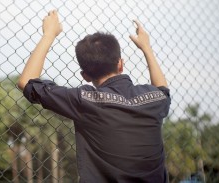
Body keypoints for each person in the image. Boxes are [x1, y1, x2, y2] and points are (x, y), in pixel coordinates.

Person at [17, 10, 171, 183]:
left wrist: (48, 34)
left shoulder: (85, 99)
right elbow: (163, 89)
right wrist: (147, 48)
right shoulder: (154, 99)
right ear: (120, 64)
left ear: (85, 76)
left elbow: (26, 82)